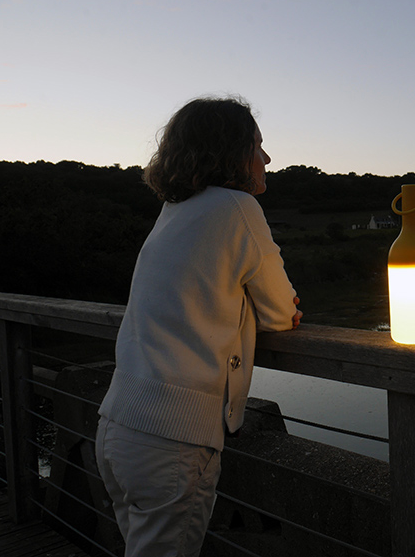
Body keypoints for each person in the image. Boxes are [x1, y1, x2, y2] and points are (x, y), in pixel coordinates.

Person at [95, 96, 302, 557]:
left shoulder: (174, 212)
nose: (266, 158)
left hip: (118, 426)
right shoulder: (237, 208)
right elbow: (280, 313)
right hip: (172, 441)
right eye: (257, 145)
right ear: (230, 151)